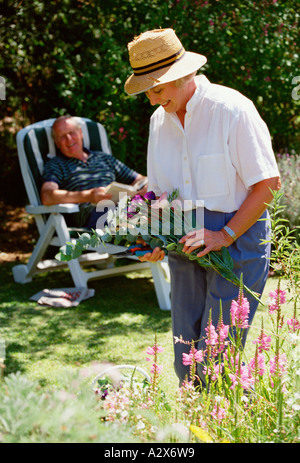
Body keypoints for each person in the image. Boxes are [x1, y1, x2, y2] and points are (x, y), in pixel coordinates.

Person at [124, 28, 281, 387]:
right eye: (147, 90)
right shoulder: (158, 121)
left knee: (216, 356)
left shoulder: (231, 109)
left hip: (236, 239)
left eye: (157, 89)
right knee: (186, 356)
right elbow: (160, 193)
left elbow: (269, 184)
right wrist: (152, 237)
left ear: (181, 76)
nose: (151, 99)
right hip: (185, 240)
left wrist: (224, 234)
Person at [41, 115, 147, 229]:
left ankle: (157, 243)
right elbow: (47, 196)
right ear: (57, 143)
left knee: (158, 206)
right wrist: (88, 196)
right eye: (62, 137)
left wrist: (144, 187)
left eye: (72, 133)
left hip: (121, 208)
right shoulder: (56, 165)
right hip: (93, 214)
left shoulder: (104, 158)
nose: (69, 139)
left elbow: (139, 179)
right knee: (143, 218)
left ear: (81, 133)